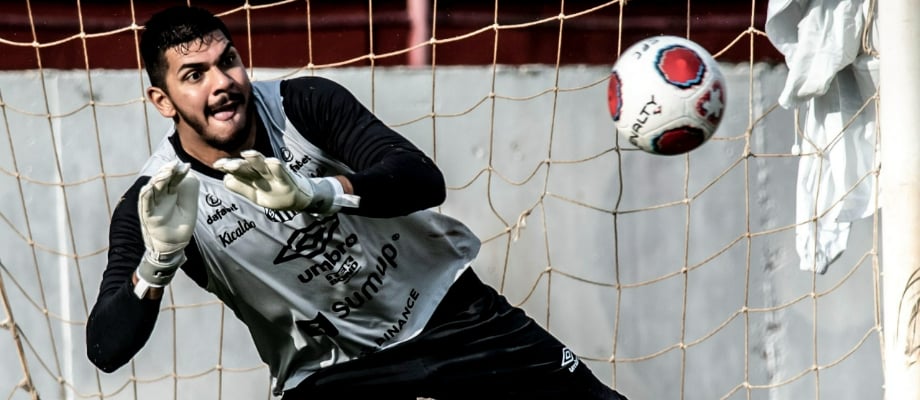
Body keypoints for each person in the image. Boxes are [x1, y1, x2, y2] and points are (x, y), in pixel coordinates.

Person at [85, 5, 628, 400]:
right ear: (162, 101)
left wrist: (318, 193)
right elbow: (106, 348)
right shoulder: (158, 199)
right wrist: (154, 268)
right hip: (333, 371)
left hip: (447, 312)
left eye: (227, 61)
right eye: (194, 75)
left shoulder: (304, 106)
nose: (222, 83)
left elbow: (420, 178)